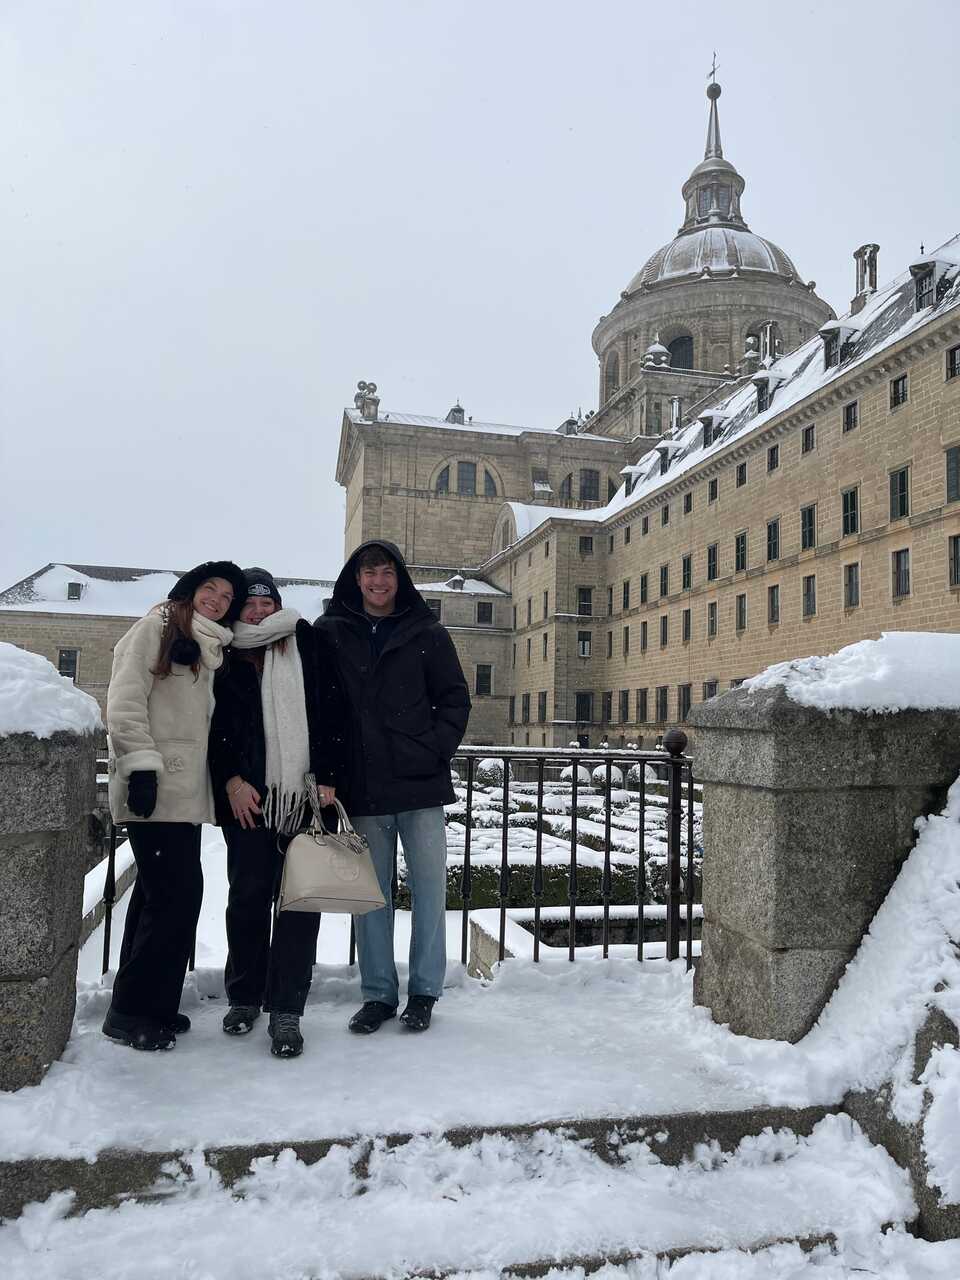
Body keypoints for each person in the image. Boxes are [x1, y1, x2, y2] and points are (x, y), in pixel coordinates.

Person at [316, 540, 470, 1034]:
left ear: (398, 578)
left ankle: (424, 991)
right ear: (356, 579)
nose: (378, 582)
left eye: (386, 573)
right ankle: (378, 993)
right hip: (361, 786)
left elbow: (454, 700)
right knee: (370, 896)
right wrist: (329, 772)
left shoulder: (427, 632)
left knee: (429, 892)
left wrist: (433, 749)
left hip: (420, 784)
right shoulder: (331, 632)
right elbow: (319, 705)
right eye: (369, 574)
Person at [102, 560, 247, 1051]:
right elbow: (124, 699)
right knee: (175, 900)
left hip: (181, 796)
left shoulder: (207, 645)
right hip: (155, 788)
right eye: (211, 589)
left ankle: (150, 1006)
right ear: (192, 590)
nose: (218, 600)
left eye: (228, 598)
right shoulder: (156, 627)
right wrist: (140, 765)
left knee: (155, 900)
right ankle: (129, 1013)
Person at [208, 568, 348, 1058]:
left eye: (266, 602)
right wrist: (231, 779)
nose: (259, 610)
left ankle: (287, 1007)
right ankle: (245, 995)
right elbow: (213, 726)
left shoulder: (305, 643)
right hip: (247, 802)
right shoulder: (225, 653)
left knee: (298, 905)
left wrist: (328, 776)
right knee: (247, 898)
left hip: (304, 798)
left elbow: (333, 713)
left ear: (277, 604)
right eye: (250, 603)